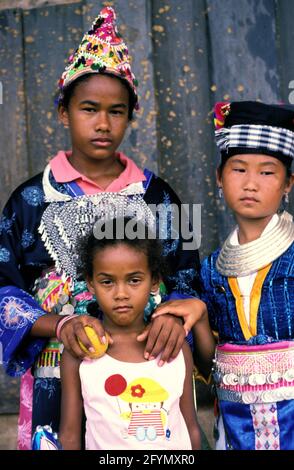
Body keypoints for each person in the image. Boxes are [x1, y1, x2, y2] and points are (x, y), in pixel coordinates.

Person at [0, 7, 204, 450]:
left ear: (131, 117)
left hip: (143, 373)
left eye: (117, 111)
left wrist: (176, 313)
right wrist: (58, 324)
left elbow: (191, 279)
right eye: (88, 108)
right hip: (57, 376)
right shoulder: (29, 199)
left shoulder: (164, 197)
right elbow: (2, 290)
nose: (103, 123)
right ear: (63, 112)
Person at [153, 101, 294, 450]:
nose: (250, 183)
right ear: (219, 177)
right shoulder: (211, 269)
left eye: (267, 172)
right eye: (238, 169)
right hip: (234, 421)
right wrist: (199, 317)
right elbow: (207, 362)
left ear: (288, 183)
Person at [59, 217, 201, 450]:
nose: (121, 293)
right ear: (91, 283)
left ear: (154, 281)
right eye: (107, 282)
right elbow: (70, 437)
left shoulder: (174, 346)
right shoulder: (81, 352)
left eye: (134, 280)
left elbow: (190, 428)